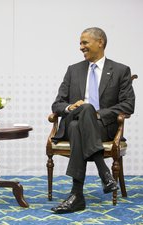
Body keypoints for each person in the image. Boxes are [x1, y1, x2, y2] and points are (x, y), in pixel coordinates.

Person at [50, 27, 135, 214]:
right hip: (78, 123)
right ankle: (103, 171)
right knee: (79, 117)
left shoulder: (120, 70)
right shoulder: (73, 70)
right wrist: (70, 107)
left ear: (100, 42)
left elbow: (128, 105)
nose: (81, 47)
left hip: (103, 127)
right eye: (80, 43)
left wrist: (98, 114)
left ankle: (76, 195)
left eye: (85, 42)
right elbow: (57, 104)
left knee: (79, 119)